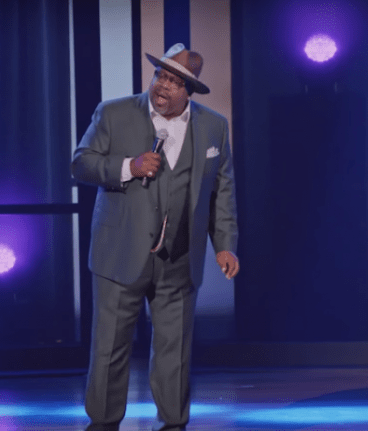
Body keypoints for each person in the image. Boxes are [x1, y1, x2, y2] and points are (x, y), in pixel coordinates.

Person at [71, 43, 240, 431]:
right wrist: (128, 166)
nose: (163, 85)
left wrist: (225, 244)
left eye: (174, 81)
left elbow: (222, 190)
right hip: (120, 253)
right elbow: (81, 163)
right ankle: (103, 423)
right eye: (160, 75)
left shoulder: (213, 126)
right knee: (110, 347)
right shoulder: (113, 113)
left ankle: (174, 423)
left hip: (179, 257)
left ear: (190, 91)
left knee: (174, 350)